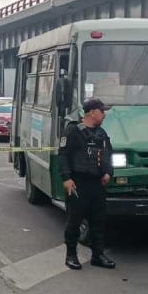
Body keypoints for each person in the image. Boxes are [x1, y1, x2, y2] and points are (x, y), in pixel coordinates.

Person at [57, 97, 116, 270]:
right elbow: (63, 156)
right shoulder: (73, 131)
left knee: (98, 222)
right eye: (102, 111)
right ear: (91, 112)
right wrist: (66, 178)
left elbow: (108, 155)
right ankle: (71, 255)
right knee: (74, 222)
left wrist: (108, 172)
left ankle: (98, 255)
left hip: (97, 184)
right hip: (78, 183)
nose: (104, 115)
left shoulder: (101, 133)